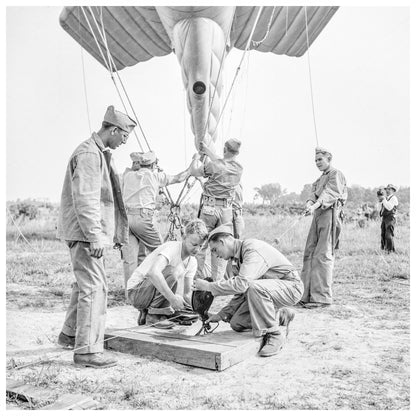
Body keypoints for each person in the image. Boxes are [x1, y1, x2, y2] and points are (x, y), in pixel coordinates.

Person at [56, 105, 136, 368]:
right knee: (94, 287)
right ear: (113, 129)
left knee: (83, 285)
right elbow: (86, 200)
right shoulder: (90, 154)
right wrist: (95, 236)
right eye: (123, 137)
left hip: (84, 233)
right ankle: (87, 351)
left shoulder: (95, 152)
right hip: (86, 234)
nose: (124, 143)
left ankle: (70, 335)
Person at [193, 224, 303, 357]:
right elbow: (240, 294)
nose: (216, 255)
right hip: (269, 292)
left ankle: (274, 334)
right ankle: (280, 316)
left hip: (291, 287)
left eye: (215, 250)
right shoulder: (235, 261)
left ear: (222, 242)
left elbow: (242, 285)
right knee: (236, 323)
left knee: (253, 287)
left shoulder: (251, 249)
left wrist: (209, 286)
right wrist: (222, 315)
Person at [121, 151, 192, 293]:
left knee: (131, 259)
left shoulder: (127, 176)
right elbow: (180, 177)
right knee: (163, 253)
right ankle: (166, 288)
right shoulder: (155, 176)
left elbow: (131, 169)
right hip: (144, 218)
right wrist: (192, 167)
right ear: (153, 164)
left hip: (126, 219)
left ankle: (131, 292)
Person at [127, 219, 209, 327]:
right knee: (172, 272)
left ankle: (149, 313)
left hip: (148, 293)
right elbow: (153, 272)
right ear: (184, 237)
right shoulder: (172, 248)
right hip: (136, 292)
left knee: (188, 314)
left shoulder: (192, 262)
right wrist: (173, 299)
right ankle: (153, 316)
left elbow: (187, 295)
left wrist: (200, 311)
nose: (197, 249)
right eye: (194, 244)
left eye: (201, 246)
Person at [299, 147, 347, 308]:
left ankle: (321, 297)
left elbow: (329, 193)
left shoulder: (336, 174)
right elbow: (313, 194)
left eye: (320, 160)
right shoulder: (319, 179)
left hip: (330, 215)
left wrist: (315, 205)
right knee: (310, 252)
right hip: (318, 215)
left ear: (329, 159)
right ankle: (305, 294)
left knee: (322, 255)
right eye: (315, 160)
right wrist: (309, 204)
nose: (317, 163)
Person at [190, 139, 243, 281]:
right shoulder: (238, 168)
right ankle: (217, 283)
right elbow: (223, 163)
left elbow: (194, 172)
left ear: (225, 149)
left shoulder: (214, 165)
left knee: (200, 245)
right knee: (221, 246)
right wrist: (208, 151)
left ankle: (198, 279)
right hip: (226, 211)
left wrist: (196, 160)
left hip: (209, 209)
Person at [378, 184, 398, 253]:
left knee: (388, 234)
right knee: (383, 233)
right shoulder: (386, 198)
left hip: (390, 218)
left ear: (393, 190)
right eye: (387, 189)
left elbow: (389, 207)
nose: (387, 190)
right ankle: (384, 249)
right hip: (385, 218)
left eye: (389, 189)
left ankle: (390, 250)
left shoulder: (393, 198)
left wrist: (383, 199)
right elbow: (382, 208)